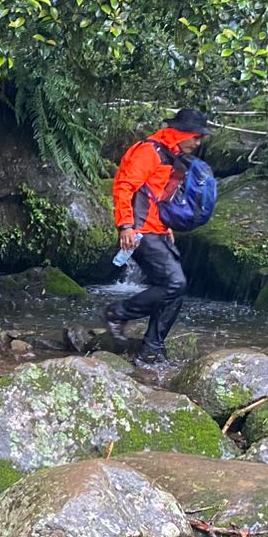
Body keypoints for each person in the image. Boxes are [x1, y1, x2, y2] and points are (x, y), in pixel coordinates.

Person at [105, 107, 214, 366]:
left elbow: (158, 197)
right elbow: (124, 187)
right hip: (140, 231)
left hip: (158, 230)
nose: (198, 143)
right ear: (181, 133)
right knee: (175, 283)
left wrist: (167, 228)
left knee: (174, 290)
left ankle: (150, 351)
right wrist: (126, 226)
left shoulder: (171, 154)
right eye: (197, 137)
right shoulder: (148, 152)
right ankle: (117, 312)